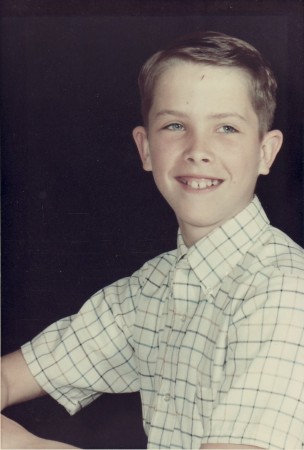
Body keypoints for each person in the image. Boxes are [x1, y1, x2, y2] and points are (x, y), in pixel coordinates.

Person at [1, 30, 304, 449]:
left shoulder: (284, 290)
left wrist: (24, 445)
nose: (198, 150)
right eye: (175, 125)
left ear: (266, 152)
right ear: (145, 148)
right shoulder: (153, 288)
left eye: (227, 128)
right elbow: (11, 376)